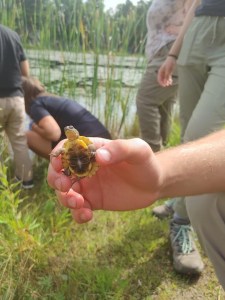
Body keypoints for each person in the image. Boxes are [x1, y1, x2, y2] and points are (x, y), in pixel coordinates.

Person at [47, 130, 225, 289]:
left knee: (204, 204)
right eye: (68, 130)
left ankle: (180, 220)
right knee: (204, 205)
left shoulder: (82, 143)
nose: (69, 131)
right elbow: (66, 154)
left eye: (71, 130)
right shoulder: (72, 147)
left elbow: (89, 151)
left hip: (83, 163)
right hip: (84, 166)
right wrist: (161, 176)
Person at [156, 0, 225, 275]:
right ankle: (179, 200)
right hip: (196, 32)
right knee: (187, 132)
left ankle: (182, 223)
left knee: (201, 135)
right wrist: (173, 54)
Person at [136, 0, 192, 152]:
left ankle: (152, 151)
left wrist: (180, 30)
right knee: (164, 104)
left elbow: (197, 15)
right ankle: (163, 151)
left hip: (170, 51)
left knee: (145, 100)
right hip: (161, 53)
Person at [22, 76, 111, 160]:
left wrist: (34, 127)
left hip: (90, 147)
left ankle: (57, 166)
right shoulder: (51, 99)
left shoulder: (36, 105)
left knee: (24, 135)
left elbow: (53, 133)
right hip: (103, 141)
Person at [0, 24, 33, 189]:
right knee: (20, 141)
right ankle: (26, 182)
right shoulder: (13, 35)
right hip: (16, 99)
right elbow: (25, 73)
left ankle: (1, 184)